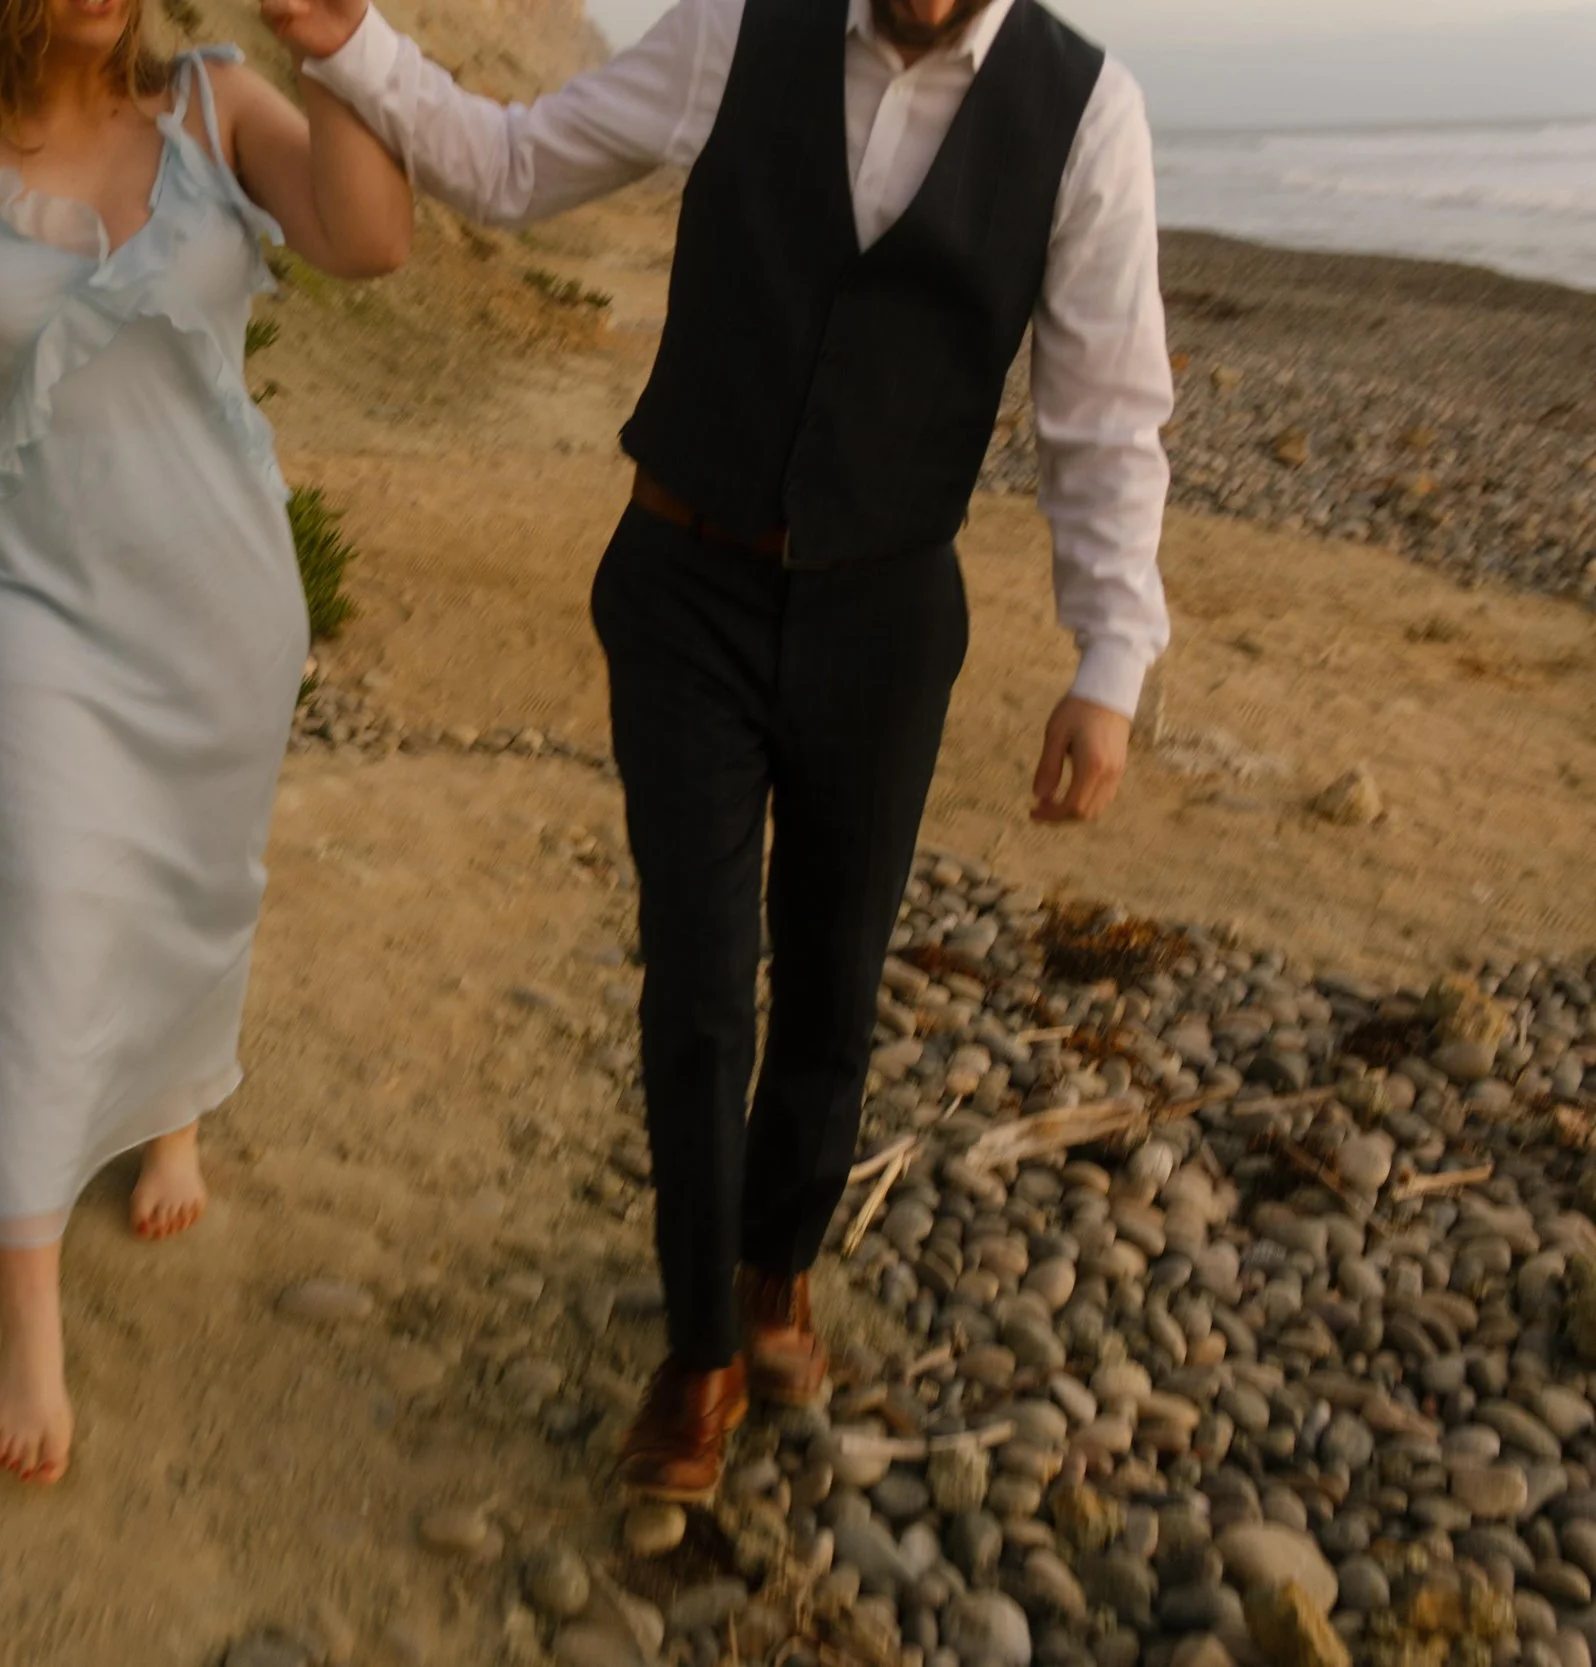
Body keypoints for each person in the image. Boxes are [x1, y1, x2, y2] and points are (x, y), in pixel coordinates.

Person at [257, 0, 1173, 1500]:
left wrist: (1111, 659)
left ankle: (776, 1263)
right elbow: (507, 164)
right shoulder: (742, 30)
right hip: (686, 579)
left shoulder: (1087, 111)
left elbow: (1106, 413)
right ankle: (697, 1349)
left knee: (834, 967)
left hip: (884, 610)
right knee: (697, 975)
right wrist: (348, 41)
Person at [0, 0, 411, 1485]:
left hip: (217, 598)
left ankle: (173, 1102)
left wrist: (339, 57)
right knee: (46, 915)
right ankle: (28, 1317)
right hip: (25, 606)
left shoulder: (219, 106)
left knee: (192, 881)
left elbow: (373, 243)